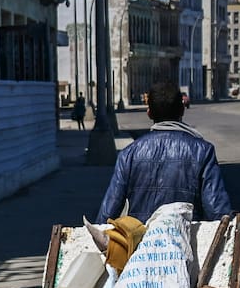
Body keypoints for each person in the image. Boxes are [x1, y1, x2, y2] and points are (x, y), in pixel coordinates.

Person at [96, 79, 232, 223]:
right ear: (182, 110)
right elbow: (218, 212)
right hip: (187, 243)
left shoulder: (128, 154)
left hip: (141, 242)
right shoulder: (203, 151)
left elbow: (107, 213)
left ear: (149, 113)